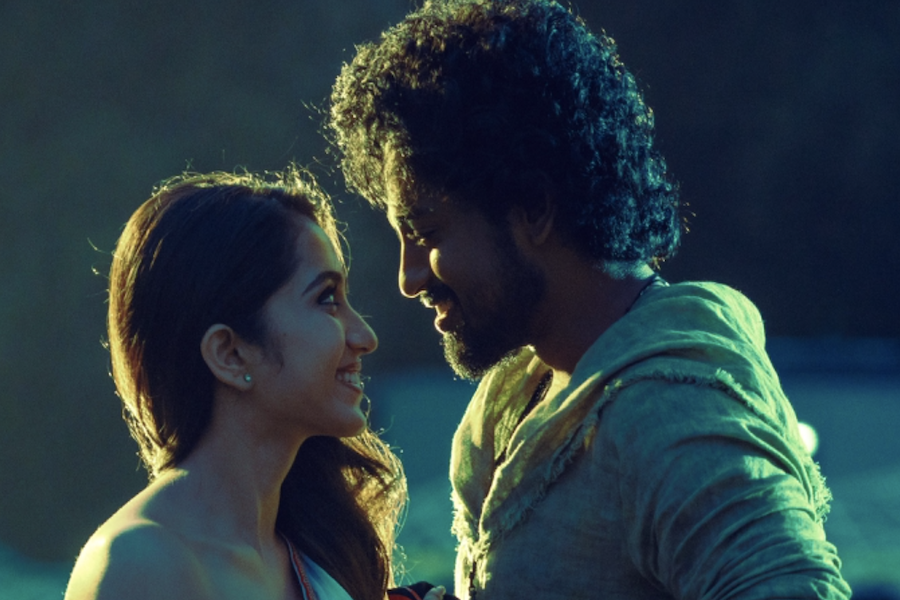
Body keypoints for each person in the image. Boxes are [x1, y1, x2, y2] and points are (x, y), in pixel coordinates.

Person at [328, 1, 852, 598]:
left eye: (427, 233)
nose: (409, 277)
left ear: (534, 208)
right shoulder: (523, 392)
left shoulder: (673, 411)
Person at [64, 169, 447, 600]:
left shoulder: (319, 555)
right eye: (326, 299)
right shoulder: (142, 565)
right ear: (230, 354)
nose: (364, 336)